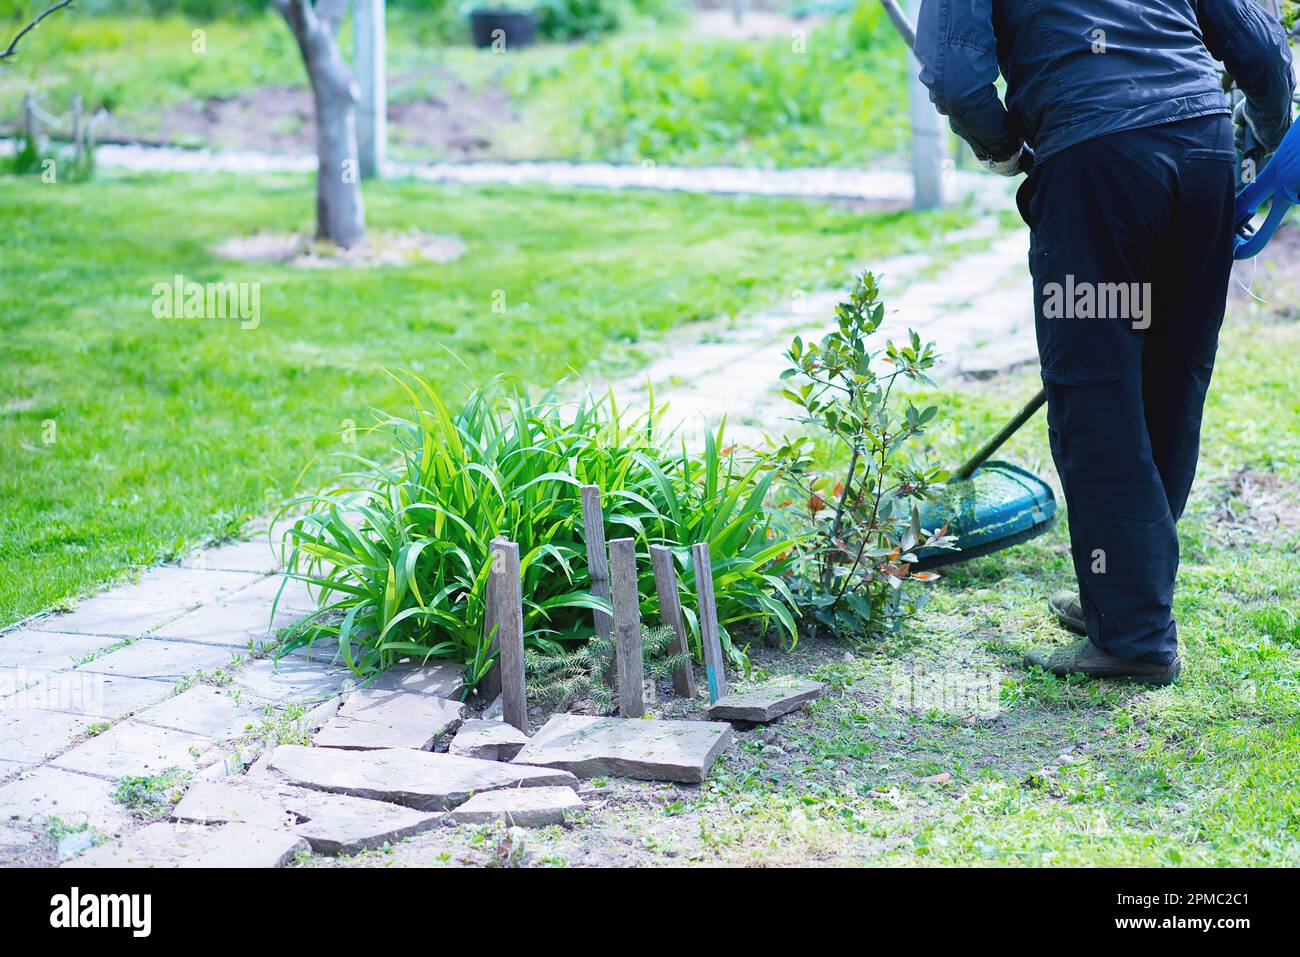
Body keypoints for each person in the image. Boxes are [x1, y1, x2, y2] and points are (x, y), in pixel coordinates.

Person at [916, 1, 1295, 684]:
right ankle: (1124, 605)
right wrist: (1259, 142)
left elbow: (957, 77)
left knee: (1097, 393)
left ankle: (1134, 637)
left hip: (1098, 168)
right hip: (1201, 153)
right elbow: (1261, 50)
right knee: (1171, 376)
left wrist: (1008, 150)